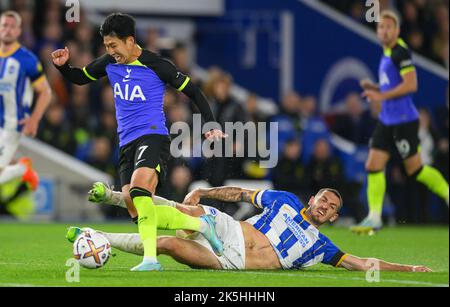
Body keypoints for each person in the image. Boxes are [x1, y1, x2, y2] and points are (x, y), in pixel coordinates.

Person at [52, 13, 227, 271]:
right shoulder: (108, 63)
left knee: (139, 189)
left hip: (153, 135)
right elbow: (80, 78)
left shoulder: (157, 65)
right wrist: (63, 67)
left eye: (114, 46)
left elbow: (194, 91)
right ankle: (200, 225)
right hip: (126, 143)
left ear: (130, 40)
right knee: (136, 206)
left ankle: (150, 260)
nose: (110, 51)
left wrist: (210, 125)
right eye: (107, 46)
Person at [71, 184, 432, 272]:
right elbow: (240, 192)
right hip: (228, 230)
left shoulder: (321, 247)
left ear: (334, 217)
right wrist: (206, 191)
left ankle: (100, 240)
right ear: (312, 198)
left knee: (166, 243)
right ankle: (116, 197)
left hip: (229, 262)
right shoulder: (286, 199)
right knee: (188, 210)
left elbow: (363, 263)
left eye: (332, 207)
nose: (324, 206)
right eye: (323, 199)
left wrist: (409, 268)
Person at [352, 10, 449, 234]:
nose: (384, 31)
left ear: (397, 30)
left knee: (415, 170)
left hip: (404, 120)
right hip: (387, 120)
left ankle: (447, 192)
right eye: (381, 28)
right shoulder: (387, 51)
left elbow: (411, 85)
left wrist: (381, 96)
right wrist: (375, 88)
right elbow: (392, 85)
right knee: (373, 165)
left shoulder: (400, 52)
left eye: (389, 28)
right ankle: (374, 218)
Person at [0, 11, 52, 196]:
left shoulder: (27, 59)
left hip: (12, 124)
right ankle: (21, 169)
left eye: (12, 26)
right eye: (4, 25)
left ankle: (21, 170)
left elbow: (45, 91)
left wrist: (34, 120)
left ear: (19, 31)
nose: (7, 30)